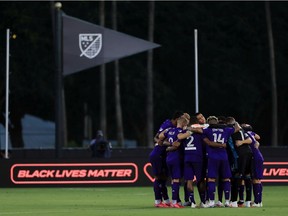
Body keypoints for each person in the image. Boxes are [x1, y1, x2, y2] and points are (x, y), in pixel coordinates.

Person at [202, 116, 241, 208]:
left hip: (212, 156)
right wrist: (233, 123)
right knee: (226, 179)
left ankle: (211, 201)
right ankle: (227, 201)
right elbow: (238, 128)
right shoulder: (226, 130)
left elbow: (206, 140)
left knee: (211, 179)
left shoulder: (207, 130)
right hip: (224, 156)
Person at [149, 110, 184, 208]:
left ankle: (167, 200)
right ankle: (158, 201)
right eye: (182, 120)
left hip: (165, 155)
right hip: (158, 154)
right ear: (177, 119)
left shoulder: (174, 127)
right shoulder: (167, 125)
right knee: (158, 177)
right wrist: (170, 143)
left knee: (164, 178)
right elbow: (156, 138)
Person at [159, 116, 191, 208]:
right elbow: (179, 141)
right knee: (177, 180)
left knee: (174, 180)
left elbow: (160, 137)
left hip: (169, 158)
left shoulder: (169, 130)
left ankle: (175, 201)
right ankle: (174, 202)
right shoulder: (182, 132)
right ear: (184, 124)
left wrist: (169, 143)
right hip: (177, 157)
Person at [182, 115, 208, 208]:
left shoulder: (184, 131)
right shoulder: (199, 132)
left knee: (189, 180)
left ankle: (192, 202)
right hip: (197, 157)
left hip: (187, 157)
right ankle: (203, 202)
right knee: (200, 180)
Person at [226, 117, 253, 208]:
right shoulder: (242, 130)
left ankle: (234, 201)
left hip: (239, 155)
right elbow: (250, 140)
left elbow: (240, 142)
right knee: (247, 176)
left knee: (237, 177)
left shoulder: (231, 130)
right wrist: (243, 142)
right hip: (248, 153)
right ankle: (248, 202)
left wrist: (241, 142)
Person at [241, 123, 264, 207]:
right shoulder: (252, 133)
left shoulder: (243, 135)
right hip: (258, 156)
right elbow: (258, 137)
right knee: (257, 179)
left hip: (254, 157)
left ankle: (257, 202)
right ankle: (259, 201)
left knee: (255, 179)